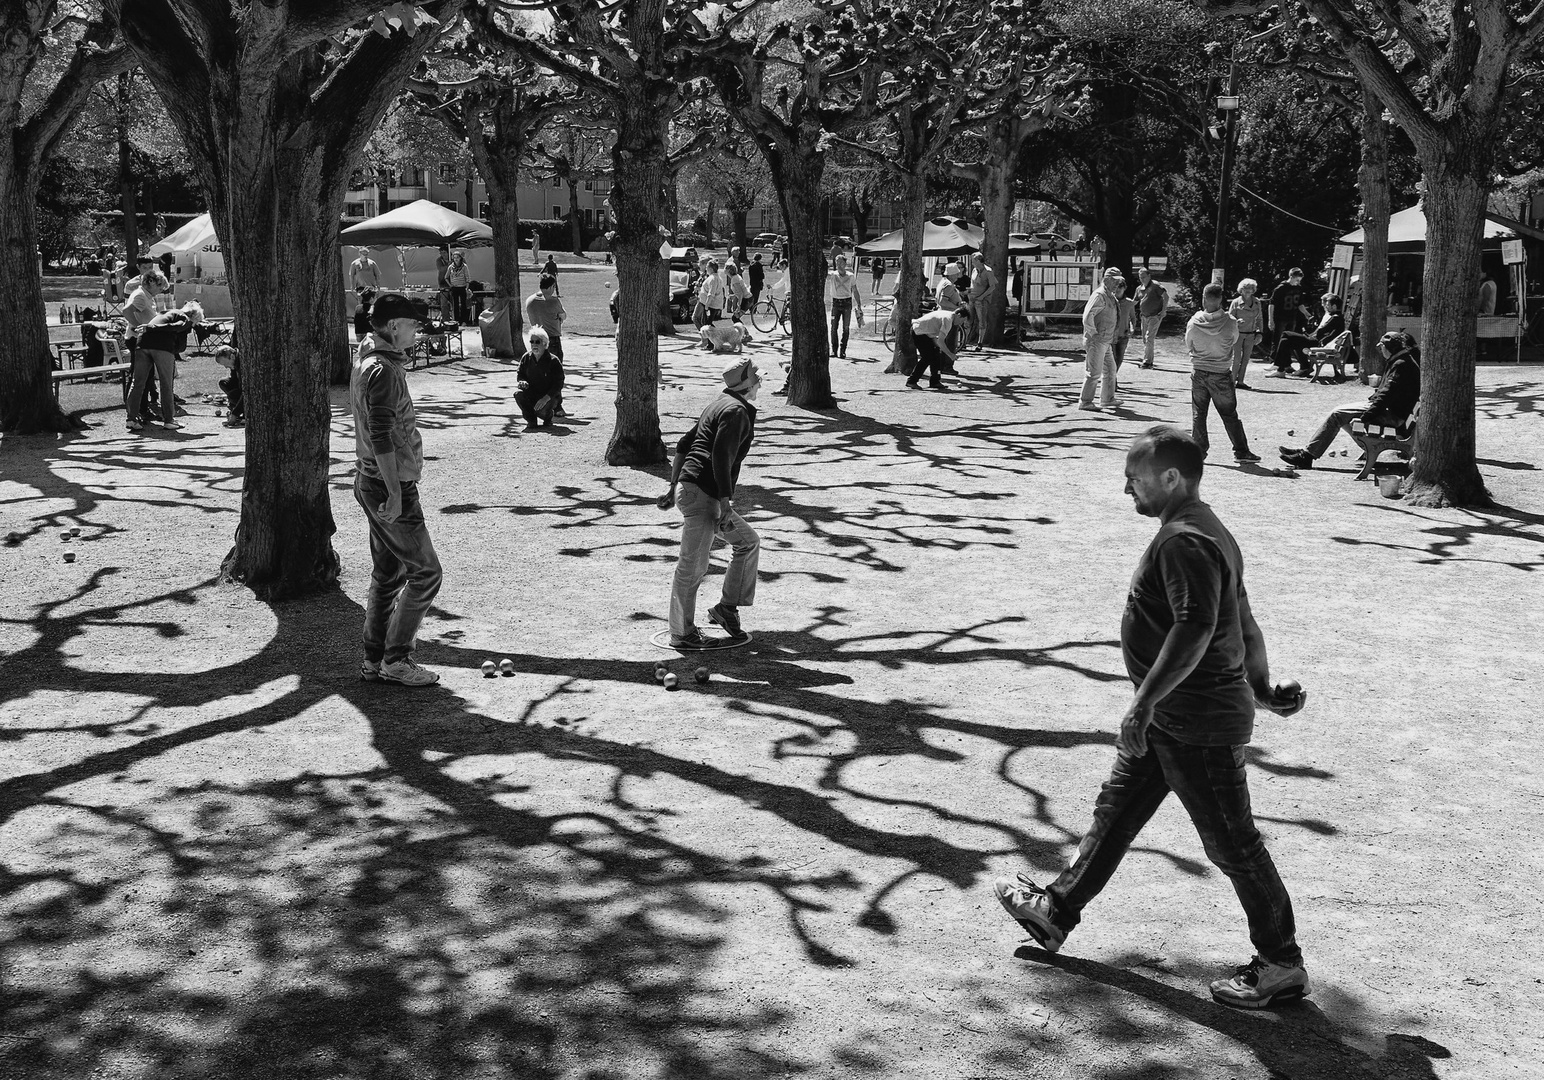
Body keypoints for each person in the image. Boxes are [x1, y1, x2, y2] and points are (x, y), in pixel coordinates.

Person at [995, 425, 1310, 1009]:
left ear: (1171, 478)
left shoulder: (1185, 541)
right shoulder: (1204, 530)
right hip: (1175, 718)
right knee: (1115, 814)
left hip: (1195, 721)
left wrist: (1143, 703)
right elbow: (1240, 620)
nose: (1127, 492)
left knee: (1233, 845)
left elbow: (1195, 628)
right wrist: (1262, 687)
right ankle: (1057, 910)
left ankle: (1280, 963)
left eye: (1134, 480)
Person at [349, 291, 443, 688]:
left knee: (388, 574)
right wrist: (395, 491)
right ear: (391, 327)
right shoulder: (383, 371)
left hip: (372, 482)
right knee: (426, 574)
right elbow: (381, 435)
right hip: (387, 484)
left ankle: (374, 660)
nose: (417, 331)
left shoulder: (370, 357)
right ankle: (396, 658)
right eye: (411, 324)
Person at [659, 357, 762, 650]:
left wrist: (672, 487)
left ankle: (727, 608)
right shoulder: (735, 410)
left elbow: (683, 444)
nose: (760, 382)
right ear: (747, 385)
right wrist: (726, 502)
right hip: (702, 495)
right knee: (692, 567)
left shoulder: (720, 403)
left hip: (694, 490)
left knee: (747, 542)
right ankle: (681, 633)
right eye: (757, 378)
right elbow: (720, 456)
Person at [1278, 330, 1421, 470]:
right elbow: (1386, 394)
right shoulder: (1400, 360)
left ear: (1387, 347)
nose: (1381, 350)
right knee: (1339, 412)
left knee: (1337, 415)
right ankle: (1307, 452)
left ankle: (1306, 456)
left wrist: (1365, 418)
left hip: (1391, 415)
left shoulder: (1401, 364)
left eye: (1381, 347)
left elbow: (1386, 397)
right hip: (1389, 410)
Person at [1188, 284, 1259, 461]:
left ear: (1204, 298)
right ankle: (1241, 451)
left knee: (1199, 413)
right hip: (1220, 372)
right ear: (1221, 300)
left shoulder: (1194, 322)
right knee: (1229, 414)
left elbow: (1189, 344)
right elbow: (1234, 340)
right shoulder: (1231, 322)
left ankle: (1198, 451)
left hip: (1199, 372)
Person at [122, 270, 171, 430]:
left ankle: (139, 413)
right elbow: (127, 311)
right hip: (138, 339)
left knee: (145, 379)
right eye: (160, 286)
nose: (161, 290)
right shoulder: (140, 295)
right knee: (140, 379)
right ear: (151, 282)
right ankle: (136, 413)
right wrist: (139, 328)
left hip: (143, 339)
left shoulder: (146, 296)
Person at [1080, 267, 1124, 410]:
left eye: (1119, 281)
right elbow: (1087, 316)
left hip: (1105, 341)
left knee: (1111, 370)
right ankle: (1085, 402)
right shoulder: (1099, 295)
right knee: (1094, 373)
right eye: (1115, 281)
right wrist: (1093, 333)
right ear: (1106, 280)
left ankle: (1107, 399)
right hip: (1097, 341)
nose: (1118, 284)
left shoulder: (1109, 295)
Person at [1270, 294, 1344, 377]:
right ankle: (1281, 369)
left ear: (1334, 306)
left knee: (1285, 334)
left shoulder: (1335, 318)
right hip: (1316, 341)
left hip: (1318, 343)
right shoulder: (1336, 317)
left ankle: (1278, 366)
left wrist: (1309, 334)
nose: (1325, 307)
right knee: (1286, 341)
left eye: (1327, 305)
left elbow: (1321, 332)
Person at [514, 327, 565, 431]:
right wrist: (522, 381)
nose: (534, 345)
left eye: (537, 342)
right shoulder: (526, 357)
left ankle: (548, 417)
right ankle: (531, 421)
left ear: (545, 344)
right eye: (532, 342)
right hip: (532, 394)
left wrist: (546, 398)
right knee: (518, 394)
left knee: (542, 411)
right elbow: (520, 374)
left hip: (548, 397)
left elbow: (558, 384)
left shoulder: (553, 361)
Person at [907, 306, 960, 390]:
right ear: (959, 315)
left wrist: (940, 348)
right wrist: (950, 355)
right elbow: (941, 341)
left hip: (926, 333)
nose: (961, 323)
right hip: (919, 332)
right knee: (927, 357)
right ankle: (912, 381)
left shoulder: (947, 314)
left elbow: (937, 339)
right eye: (963, 320)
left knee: (936, 355)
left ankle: (935, 381)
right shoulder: (948, 319)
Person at [1266, 267, 1310, 357]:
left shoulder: (1299, 288)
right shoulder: (1280, 288)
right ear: (1291, 277)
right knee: (1278, 339)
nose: (1298, 282)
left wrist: (1306, 313)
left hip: (1292, 317)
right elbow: (1271, 304)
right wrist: (1271, 320)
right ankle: (1274, 360)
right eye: (1297, 280)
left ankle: (1286, 362)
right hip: (1280, 318)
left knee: (1289, 340)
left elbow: (1300, 304)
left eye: (1299, 280)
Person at [1228, 278, 1264, 389]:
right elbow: (1229, 317)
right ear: (1241, 289)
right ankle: (1232, 381)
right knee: (1236, 358)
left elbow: (1260, 319)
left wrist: (1260, 333)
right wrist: (1236, 321)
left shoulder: (1257, 302)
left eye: (1251, 288)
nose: (1248, 290)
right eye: (1246, 288)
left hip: (1251, 334)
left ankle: (1241, 381)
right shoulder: (1235, 302)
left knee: (1246, 358)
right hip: (1238, 334)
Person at [524, 273, 567, 360]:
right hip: (552, 339)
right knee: (554, 368)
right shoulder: (553, 301)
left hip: (536, 339)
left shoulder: (530, 300)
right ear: (551, 286)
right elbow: (563, 316)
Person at [828, 254, 862, 358]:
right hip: (836, 302)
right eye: (837, 262)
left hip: (847, 303)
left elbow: (855, 290)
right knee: (834, 327)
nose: (839, 265)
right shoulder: (833, 275)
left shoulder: (850, 276)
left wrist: (859, 304)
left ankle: (843, 350)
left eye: (841, 262)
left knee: (846, 327)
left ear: (845, 263)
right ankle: (834, 350)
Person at [1133, 268, 1168, 369]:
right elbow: (1134, 302)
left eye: (1144, 277)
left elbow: (1166, 296)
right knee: (1145, 339)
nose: (1142, 279)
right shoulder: (1139, 289)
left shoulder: (1155, 286)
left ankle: (1147, 362)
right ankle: (1150, 361)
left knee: (1149, 338)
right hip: (1144, 316)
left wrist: (1163, 311)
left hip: (1154, 316)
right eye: (1140, 277)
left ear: (1149, 276)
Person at [966, 252, 997, 348]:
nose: (972, 263)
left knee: (981, 321)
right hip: (972, 299)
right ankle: (965, 341)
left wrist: (982, 296)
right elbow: (972, 284)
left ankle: (980, 343)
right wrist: (968, 292)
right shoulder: (974, 270)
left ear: (979, 261)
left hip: (981, 300)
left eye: (974, 261)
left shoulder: (988, 271)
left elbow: (992, 286)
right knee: (968, 320)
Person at [214, 345, 244, 427]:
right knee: (223, 383)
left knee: (232, 395)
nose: (226, 367)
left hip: (250, 391)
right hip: (241, 387)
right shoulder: (234, 362)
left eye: (226, 364)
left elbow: (247, 391)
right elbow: (235, 380)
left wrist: (235, 413)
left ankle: (243, 413)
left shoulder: (243, 363)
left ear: (232, 356)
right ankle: (237, 408)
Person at [1110, 278, 1136, 370]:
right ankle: (1112, 381)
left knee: (1119, 359)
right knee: (1111, 360)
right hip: (1111, 335)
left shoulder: (1129, 303)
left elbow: (1132, 317)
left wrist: (1132, 328)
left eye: (1120, 287)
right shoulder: (1110, 301)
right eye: (1116, 287)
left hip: (1123, 335)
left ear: (1125, 288)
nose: (1118, 290)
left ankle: (1112, 379)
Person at [696, 259, 726, 326]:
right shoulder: (716, 278)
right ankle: (711, 335)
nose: (706, 269)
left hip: (710, 304)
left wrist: (706, 306)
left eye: (707, 267)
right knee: (707, 323)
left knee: (704, 322)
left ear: (711, 268)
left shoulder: (713, 279)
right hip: (711, 304)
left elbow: (711, 293)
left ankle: (709, 335)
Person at [445, 250, 470, 324]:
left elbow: (467, 277)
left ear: (460, 258)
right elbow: (446, 277)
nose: (456, 259)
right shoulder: (451, 267)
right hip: (454, 287)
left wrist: (467, 288)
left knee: (463, 304)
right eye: (454, 257)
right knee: (455, 305)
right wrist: (450, 285)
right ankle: (456, 320)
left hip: (462, 287)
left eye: (457, 257)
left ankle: (464, 320)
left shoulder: (464, 266)